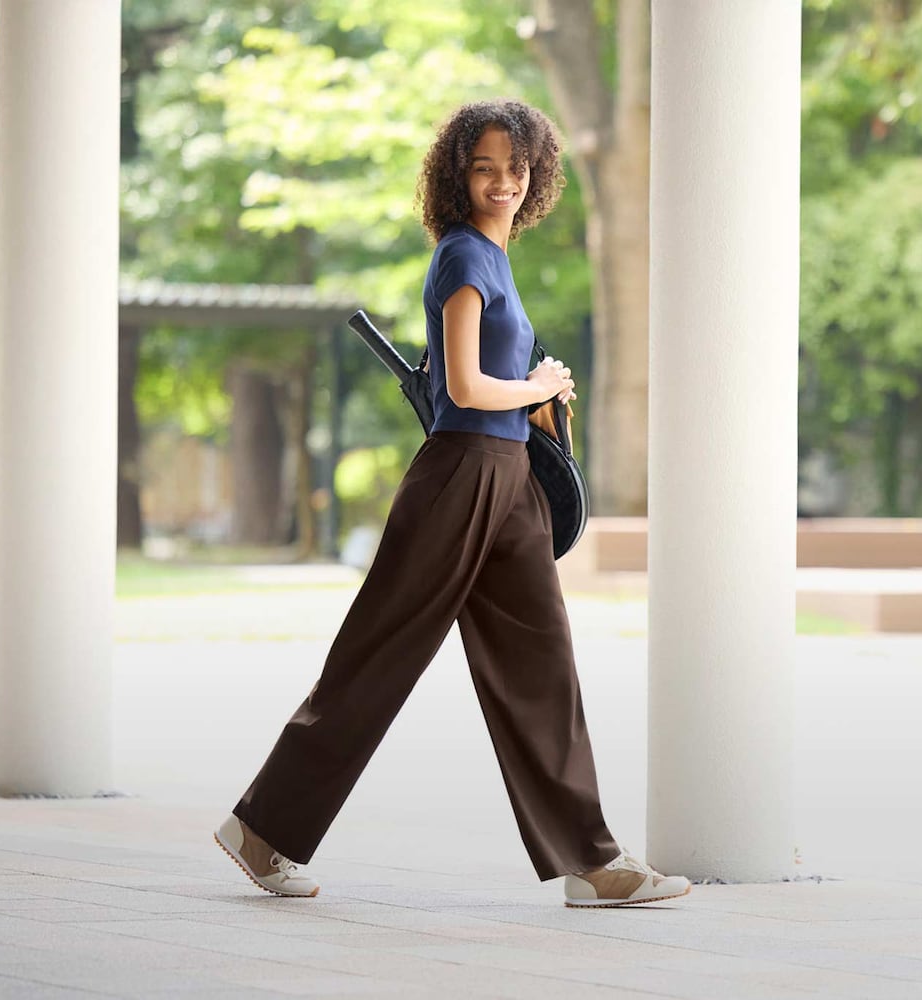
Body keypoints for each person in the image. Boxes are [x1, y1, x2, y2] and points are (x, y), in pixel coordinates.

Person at [214, 98, 690, 909]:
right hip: (459, 478)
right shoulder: (463, 258)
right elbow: (464, 389)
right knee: (377, 658)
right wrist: (535, 384)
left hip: (507, 483)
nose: (503, 182)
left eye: (517, 167)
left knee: (545, 667)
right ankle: (261, 829)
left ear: (535, 173)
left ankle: (591, 861)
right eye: (484, 168)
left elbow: (470, 387)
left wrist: (534, 406)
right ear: (457, 176)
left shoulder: (497, 260)